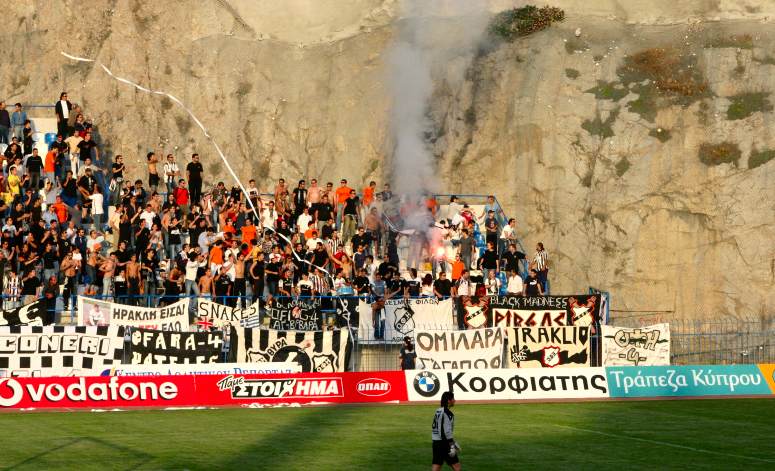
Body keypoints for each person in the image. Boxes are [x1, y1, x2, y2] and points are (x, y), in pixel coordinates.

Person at [432, 391, 461, 471]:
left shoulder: (438, 411)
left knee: (436, 466)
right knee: (456, 466)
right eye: (453, 399)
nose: (455, 400)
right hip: (444, 443)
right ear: (449, 401)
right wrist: (452, 445)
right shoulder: (447, 413)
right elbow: (444, 432)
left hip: (436, 443)